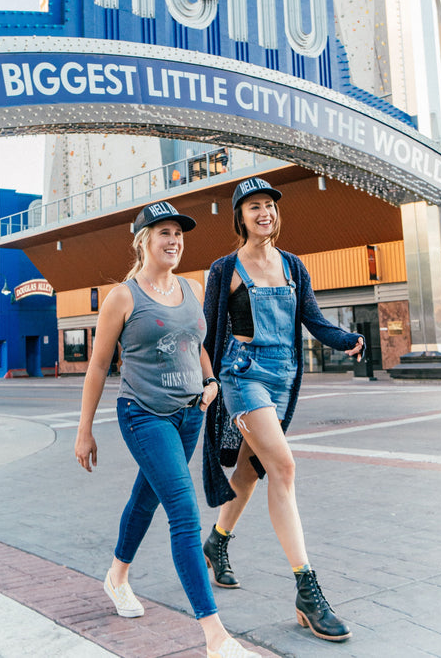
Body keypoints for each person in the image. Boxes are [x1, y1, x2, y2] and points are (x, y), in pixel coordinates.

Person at [75, 200, 260, 658]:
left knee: (146, 497)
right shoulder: (123, 296)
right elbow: (98, 367)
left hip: (190, 413)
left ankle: (116, 576)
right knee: (183, 509)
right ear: (144, 241)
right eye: (164, 233)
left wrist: (211, 378)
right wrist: (84, 431)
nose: (174, 241)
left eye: (179, 234)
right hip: (143, 414)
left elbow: (194, 344)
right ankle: (215, 635)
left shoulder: (192, 288)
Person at [201, 177, 365, 643]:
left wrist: (345, 339)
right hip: (242, 374)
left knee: (252, 473)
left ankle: (217, 542)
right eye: (254, 206)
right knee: (284, 467)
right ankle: (307, 591)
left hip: (283, 377)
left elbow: (311, 319)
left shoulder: (293, 265)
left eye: (269, 205)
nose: (264, 213)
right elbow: (210, 334)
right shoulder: (225, 269)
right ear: (240, 217)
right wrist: (209, 382)